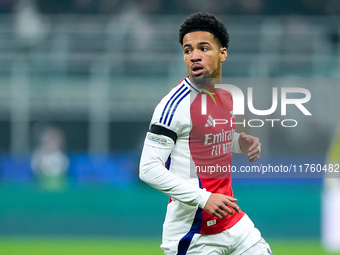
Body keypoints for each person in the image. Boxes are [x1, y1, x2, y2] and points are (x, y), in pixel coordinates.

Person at [139, 12, 272, 255]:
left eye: (203, 48)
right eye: (188, 50)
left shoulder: (225, 96)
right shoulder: (173, 106)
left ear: (223, 53)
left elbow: (205, 141)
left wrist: (239, 143)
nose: (194, 56)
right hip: (194, 235)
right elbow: (148, 169)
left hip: (234, 224)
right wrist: (204, 198)